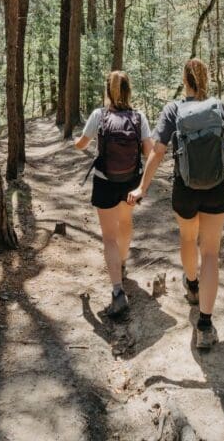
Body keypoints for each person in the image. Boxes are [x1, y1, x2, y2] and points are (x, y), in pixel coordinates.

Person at [127, 57, 224, 349]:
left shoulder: (173, 109)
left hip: (185, 189)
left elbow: (158, 152)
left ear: (185, 80)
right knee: (211, 253)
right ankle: (204, 323)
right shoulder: (218, 105)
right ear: (206, 79)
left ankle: (191, 285)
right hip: (216, 187)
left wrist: (142, 187)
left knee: (188, 238)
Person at [75, 70, 153, 316]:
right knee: (126, 222)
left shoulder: (99, 115)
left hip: (104, 181)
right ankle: (121, 262)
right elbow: (148, 151)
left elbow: (82, 144)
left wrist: (75, 144)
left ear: (108, 91)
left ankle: (117, 290)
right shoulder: (139, 117)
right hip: (130, 181)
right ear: (129, 90)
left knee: (108, 236)